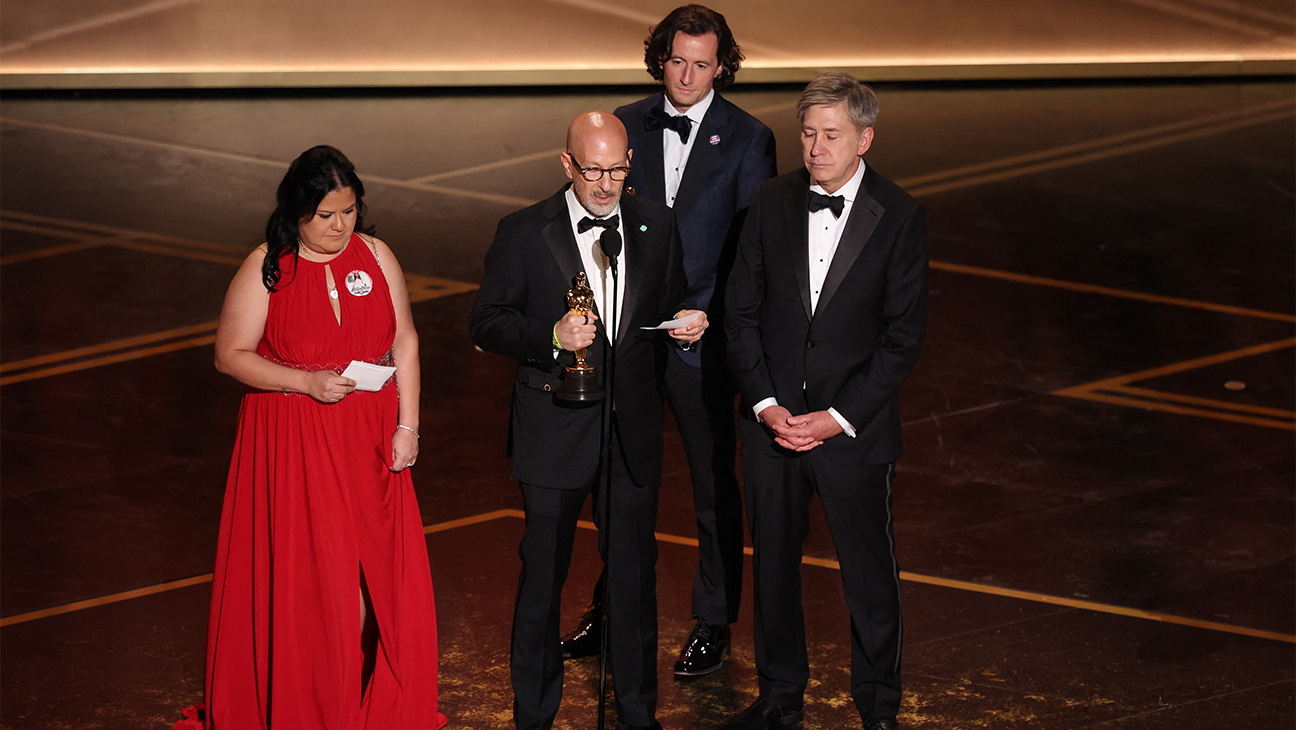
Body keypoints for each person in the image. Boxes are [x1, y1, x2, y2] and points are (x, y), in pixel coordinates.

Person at [180, 145, 446, 729]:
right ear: (296, 212)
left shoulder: (376, 255)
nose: (339, 226)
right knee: (318, 574)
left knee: (368, 570)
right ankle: (321, 701)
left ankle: (352, 698)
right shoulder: (265, 265)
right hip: (295, 440)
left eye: (349, 211)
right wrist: (303, 382)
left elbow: (405, 343)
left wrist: (409, 425)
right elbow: (230, 356)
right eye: (325, 215)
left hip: (371, 438)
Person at [469, 112, 707, 730]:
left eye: (618, 168)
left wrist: (687, 324)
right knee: (543, 579)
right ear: (567, 164)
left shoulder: (654, 222)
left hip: (629, 431)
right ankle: (535, 716)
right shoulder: (523, 231)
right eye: (594, 169)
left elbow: (670, 300)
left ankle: (636, 714)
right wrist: (550, 335)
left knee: (633, 581)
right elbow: (486, 322)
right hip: (554, 428)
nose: (606, 184)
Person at [560, 4, 777, 678]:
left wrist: (708, 313)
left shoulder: (749, 137)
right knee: (620, 480)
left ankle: (712, 619)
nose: (686, 74)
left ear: (722, 67)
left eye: (702, 63)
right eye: (677, 59)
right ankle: (611, 605)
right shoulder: (621, 124)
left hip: (705, 341)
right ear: (661, 58)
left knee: (713, 483)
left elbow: (751, 248)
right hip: (631, 338)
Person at [723, 73, 929, 730]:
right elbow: (741, 314)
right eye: (808, 133)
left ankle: (879, 709)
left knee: (869, 577)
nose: (815, 147)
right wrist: (764, 404)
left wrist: (837, 419)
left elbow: (902, 339)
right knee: (775, 570)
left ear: (865, 138)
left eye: (831, 135)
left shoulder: (899, 216)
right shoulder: (770, 199)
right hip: (773, 429)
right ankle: (780, 699)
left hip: (852, 431)